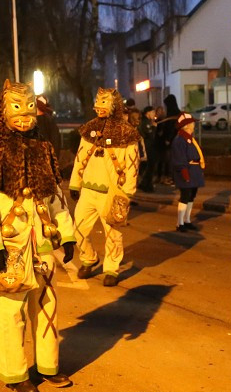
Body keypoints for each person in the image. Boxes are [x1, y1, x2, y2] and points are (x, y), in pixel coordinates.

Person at [0, 80, 76, 392]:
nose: (25, 115)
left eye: (30, 108)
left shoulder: (42, 146)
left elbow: (53, 191)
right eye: (18, 108)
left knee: (47, 303)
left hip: (40, 240)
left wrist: (66, 232)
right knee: (10, 309)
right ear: (4, 109)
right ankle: (15, 372)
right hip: (10, 241)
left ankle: (47, 365)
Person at [69, 88, 140, 286]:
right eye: (98, 101)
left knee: (113, 233)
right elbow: (80, 158)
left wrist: (128, 192)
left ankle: (111, 268)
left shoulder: (127, 133)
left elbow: (133, 165)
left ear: (114, 105)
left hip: (112, 192)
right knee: (77, 230)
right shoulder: (89, 130)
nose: (99, 106)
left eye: (104, 101)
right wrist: (75, 183)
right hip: (88, 191)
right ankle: (89, 258)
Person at [170, 112, 205, 232]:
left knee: (191, 197)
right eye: (191, 123)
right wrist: (185, 173)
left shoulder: (190, 139)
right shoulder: (179, 140)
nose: (193, 125)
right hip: (186, 171)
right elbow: (179, 158)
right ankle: (180, 223)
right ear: (187, 126)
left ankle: (187, 220)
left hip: (194, 171)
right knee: (185, 196)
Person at [156, 95, 181, 185]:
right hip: (177, 141)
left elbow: (171, 128)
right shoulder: (178, 113)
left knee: (170, 160)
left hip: (171, 141)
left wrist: (168, 139)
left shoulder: (172, 114)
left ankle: (170, 178)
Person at [136, 106, 156, 192]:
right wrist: (154, 128)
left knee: (149, 167)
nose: (154, 114)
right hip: (148, 147)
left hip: (149, 147)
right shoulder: (145, 122)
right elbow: (150, 135)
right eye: (153, 112)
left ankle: (147, 184)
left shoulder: (148, 122)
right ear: (148, 113)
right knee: (148, 167)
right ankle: (146, 185)